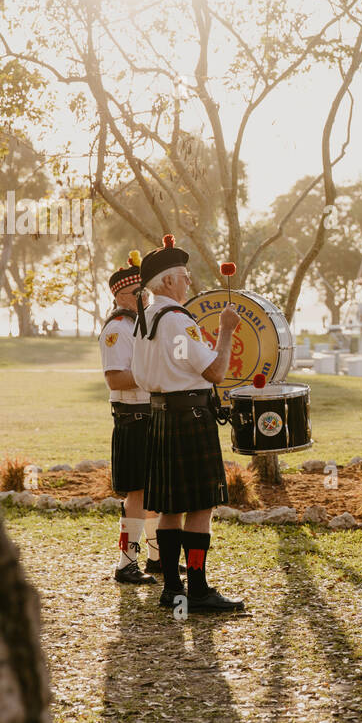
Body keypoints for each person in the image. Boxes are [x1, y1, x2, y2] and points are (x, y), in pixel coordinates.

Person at [131, 235, 245, 613]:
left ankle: (172, 590)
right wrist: (227, 329)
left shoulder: (145, 318)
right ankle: (197, 589)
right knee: (200, 506)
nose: (189, 282)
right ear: (166, 282)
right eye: (183, 275)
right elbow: (214, 370)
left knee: (170, 507)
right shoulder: (178, 320)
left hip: (161, 414)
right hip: (192, 417)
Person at [99, 251, 159, 584]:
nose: (144, 296)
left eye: (145, 290)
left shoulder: (142, 325)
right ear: (121, 296)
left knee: (152, 491)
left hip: (149, 414)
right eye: (137, 292)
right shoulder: (117, 329)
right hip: (131, 416)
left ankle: (156, 558)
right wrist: (153, 372)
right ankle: (126, 564)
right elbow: (115, 379)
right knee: (137, 493)